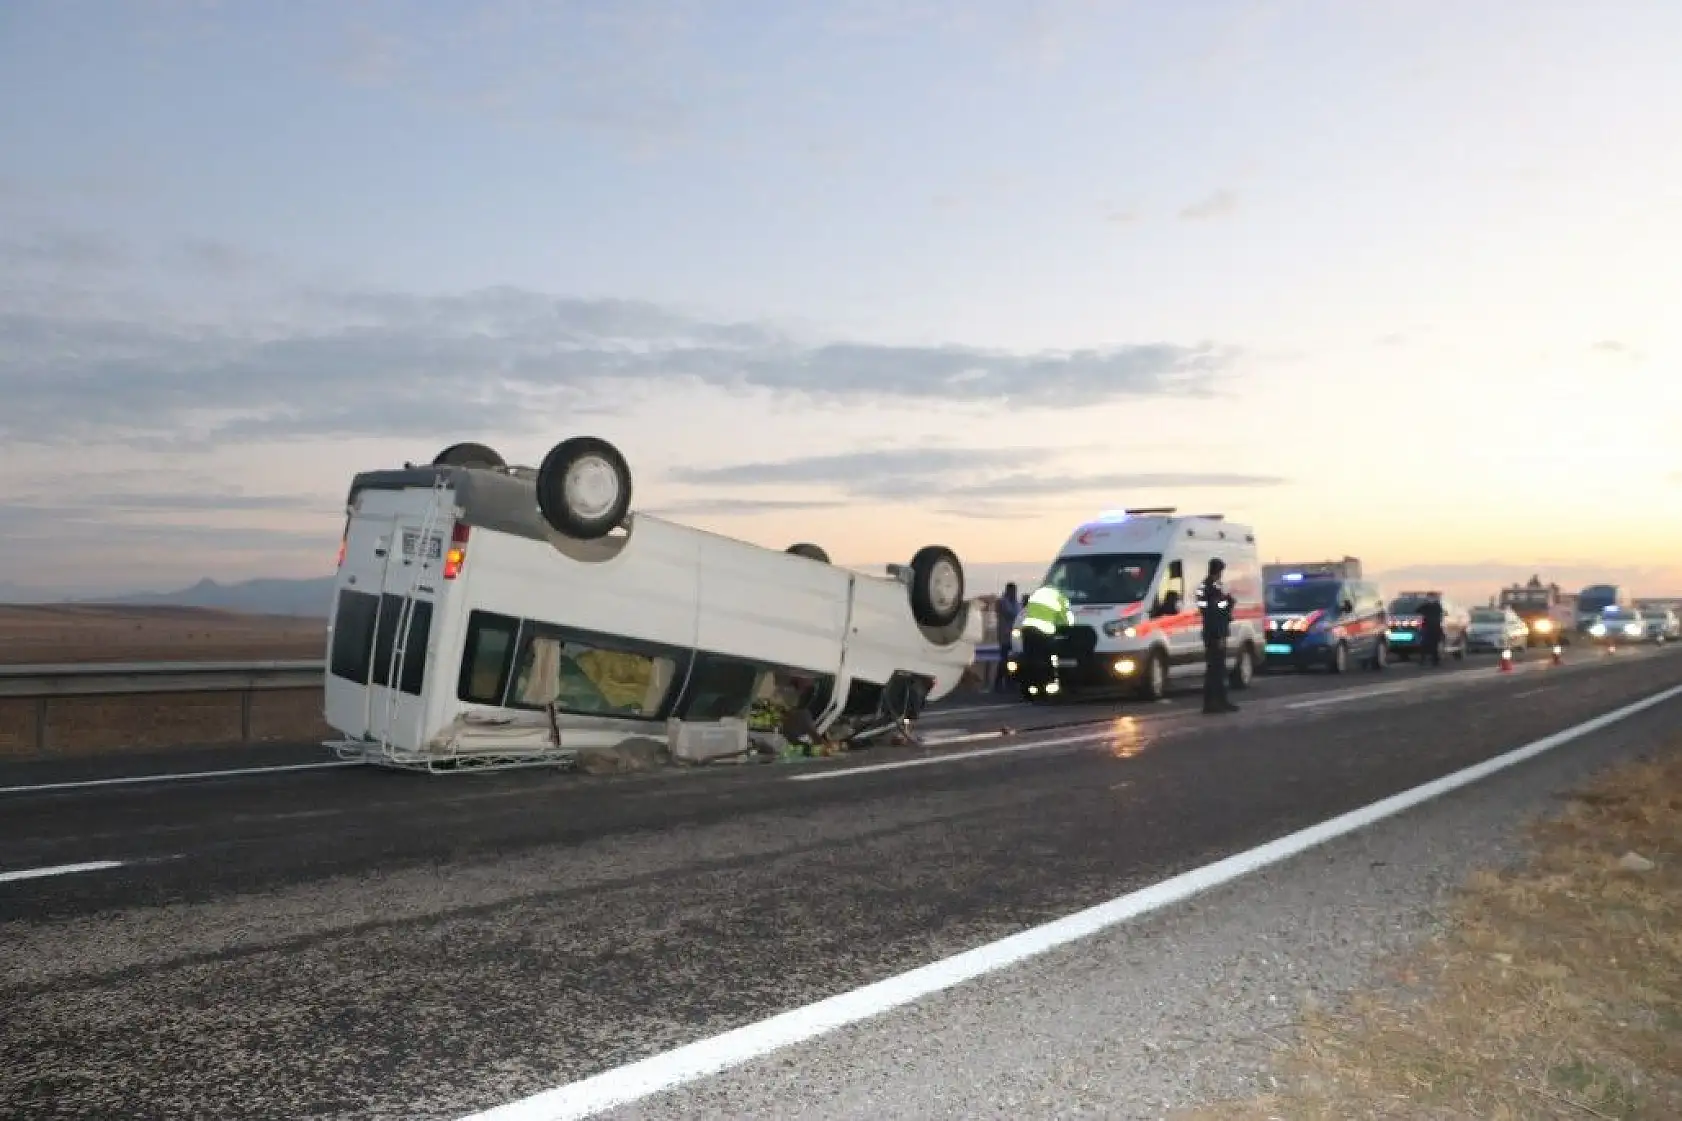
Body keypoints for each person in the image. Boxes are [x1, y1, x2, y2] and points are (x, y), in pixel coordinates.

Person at [1196, 558, 1239, 714]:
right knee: (1215, 669)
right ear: (1218, 571)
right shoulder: (1211, 588)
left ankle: (1220, 701)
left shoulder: (1208, 586)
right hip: (1215, 633)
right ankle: (1213, 703)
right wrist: (1228, 603)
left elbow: (1209, 609)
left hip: (1212, 631)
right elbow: (1214, 612)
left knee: (1218, 669)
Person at [993, 582, 1021, 693]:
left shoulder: (1015, 602)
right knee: (1004, 660)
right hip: (1005, 636)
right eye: (1012, 591)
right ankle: (999, 683)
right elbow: (1013, 614)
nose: (1014, 593)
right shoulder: (1002, 602)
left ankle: (1010, 682)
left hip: (1015, 637)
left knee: (1012, 661)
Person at [1418, 592, 1446, 667]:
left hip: (1435, 627)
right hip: (1427, 627)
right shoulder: (1426, 606)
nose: (1430, 599)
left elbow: (1440, 614)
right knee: (1424, 644)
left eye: (1431, 597)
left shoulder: (1437, 606)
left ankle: (1435, 660)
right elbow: (1418, 610)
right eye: (1429, 597)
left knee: (1434, 644)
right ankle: (1423, 659)